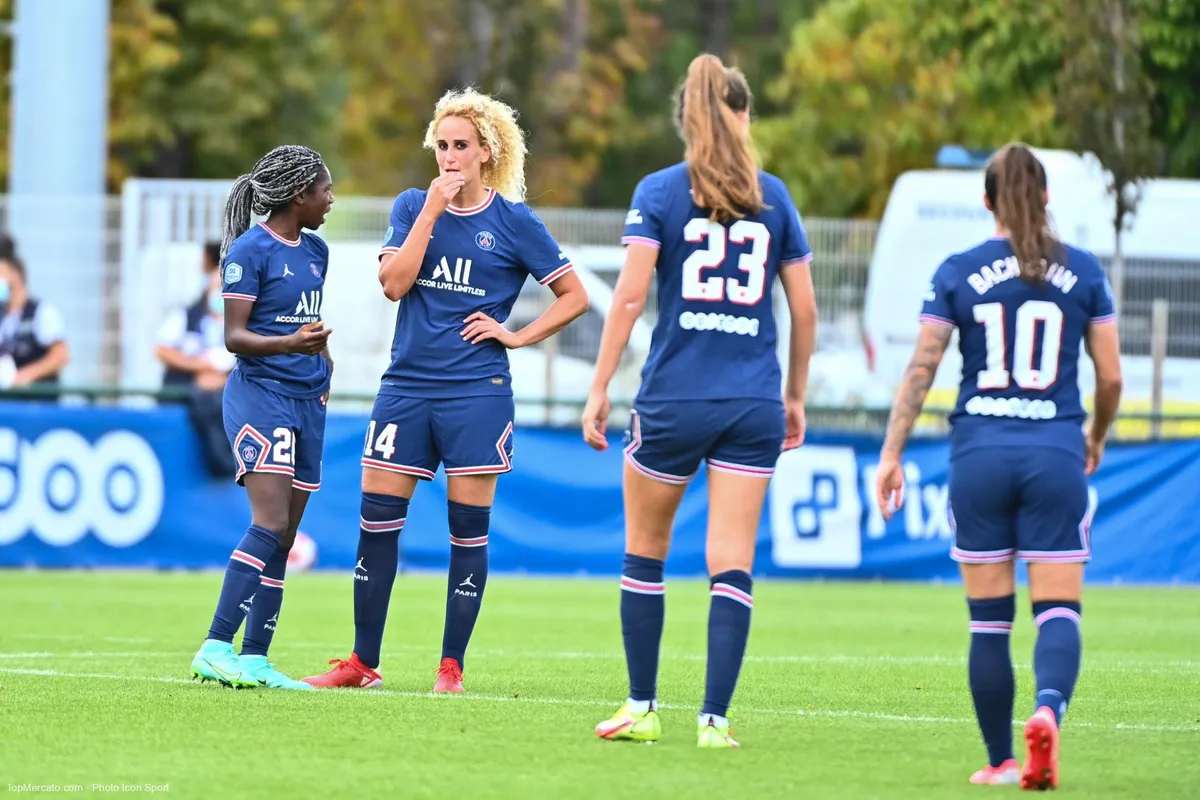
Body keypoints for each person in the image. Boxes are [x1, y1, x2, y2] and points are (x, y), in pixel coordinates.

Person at [302, 88, 589, 692]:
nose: (450, 157)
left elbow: (576, 298)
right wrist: (432, 213)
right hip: (406, 387)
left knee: (468, 531)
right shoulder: (412, 205)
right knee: (375, 523)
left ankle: (450, 668)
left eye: (462, 146)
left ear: (487, 152)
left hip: (476, 394)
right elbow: (393, 284)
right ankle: (362, 663)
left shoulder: (513, 222)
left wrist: (515, 336)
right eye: (442, 146)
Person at [581, 54, 818, 749]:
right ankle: (714, 721)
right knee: (731, 561)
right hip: (752, 403)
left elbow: (627, 296)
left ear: (686, 117)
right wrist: (795, 394)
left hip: (675, 396)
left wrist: (599, 386)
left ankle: (643, 708)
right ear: (743, 117)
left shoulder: (658, 191)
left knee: (645, 552)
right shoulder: (774, 195)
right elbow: (804, 309)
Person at [873, 143, 1122, 790]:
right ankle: (1047, 711)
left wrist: (893, 454)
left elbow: (921, 370)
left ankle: (1001, 760)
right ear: (1046, 197)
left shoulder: (957, 271)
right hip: (1055, 451)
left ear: (986, 202)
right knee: (1057, 612)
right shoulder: (1086, 273)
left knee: (989, 622)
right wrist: (1093, 435)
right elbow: (1113, 375)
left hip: (979, 451)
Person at [189, 145, 336, 691]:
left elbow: (306, 319)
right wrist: (291, 342)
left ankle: (254, 657)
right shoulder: (249, 251)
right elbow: (235, 338)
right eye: (324, 189)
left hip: (308, 398)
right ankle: (214, 645)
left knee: (287, 533)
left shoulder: (318, 250)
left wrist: (319, 354)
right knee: (269, 523)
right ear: (299, 195)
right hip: (261, 398)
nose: (331, 198)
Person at [155, 241, 237, 478]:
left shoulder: (246, 324)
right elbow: (162, 349)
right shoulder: (186, 316)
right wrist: (199, 368)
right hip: (188, 395)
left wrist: (221, 379)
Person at [0, 251, 70, 398]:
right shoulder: (3, 316)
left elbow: (61, 356)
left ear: (16, 275)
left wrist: (26, 375)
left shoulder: (42, 312)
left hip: (37, 406)